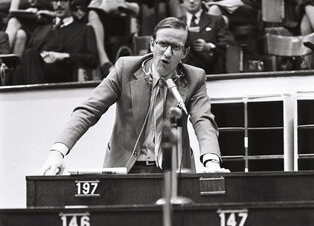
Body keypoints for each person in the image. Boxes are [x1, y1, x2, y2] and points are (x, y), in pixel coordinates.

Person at [38, 17, 224, 175]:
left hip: (173, 171)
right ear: (152, 44)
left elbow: (203, 121)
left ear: (185, 53)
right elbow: (89, 110)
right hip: (125, 168)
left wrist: (211, 162)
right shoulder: (125, 69)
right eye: (163, 44)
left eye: (175, 47)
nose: (167, 53)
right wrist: (58, 152)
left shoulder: (194, 77)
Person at [12, 0, 98, 85]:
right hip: (39, 68)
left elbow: (93, 60)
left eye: (63, 1)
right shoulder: (40, 29)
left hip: (63, 71)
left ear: (71, 2)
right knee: (21, 66)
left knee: (29, 55)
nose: (58, 5)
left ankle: (33, 97)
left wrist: (64, 56)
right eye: (55, 1)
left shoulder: (84, 29)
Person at [80, 0, 139, 77]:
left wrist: (122, 3)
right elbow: (80, 10)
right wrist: (92, 5)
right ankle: (105, 62)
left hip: (118, 22)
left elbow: (136, 8)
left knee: (92, 17)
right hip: (96, 24)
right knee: (92, 14)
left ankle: (104, 63)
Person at [178, 0, 236, 73]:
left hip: (211, 74)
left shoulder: (217, 20)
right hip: (183, 76)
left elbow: (229, 45)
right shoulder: (176, 23)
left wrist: (209, 47)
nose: (191, 0)